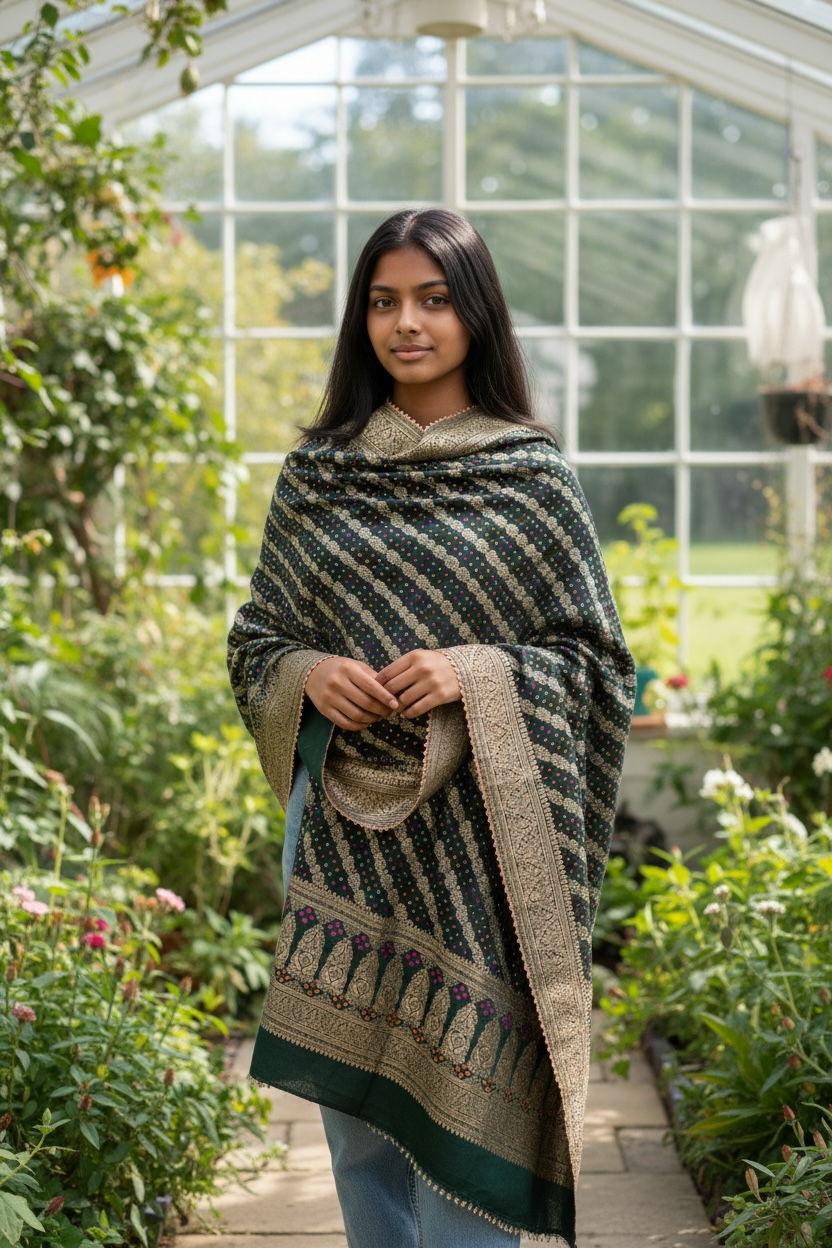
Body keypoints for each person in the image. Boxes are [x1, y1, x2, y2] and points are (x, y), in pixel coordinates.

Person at [227, 208, 635, 1248]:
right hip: (340, 836)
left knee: (465, 1114)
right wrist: (308, 673)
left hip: (483, 846)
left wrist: (477, 672)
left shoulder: (532, 480)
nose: (406, 323)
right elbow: (256, 636)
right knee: (357, 1128)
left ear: (475, 313)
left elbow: (595, 667)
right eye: (383, 301)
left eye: (433, 298)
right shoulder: (319, 477)